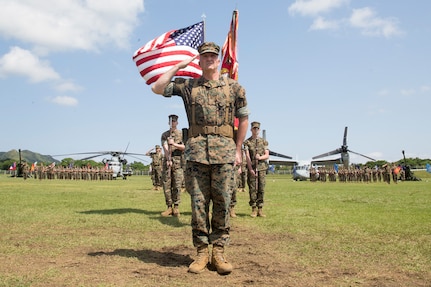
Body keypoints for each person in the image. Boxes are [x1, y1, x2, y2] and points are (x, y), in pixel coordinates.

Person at [151, 42, 249, 275]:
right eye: (204, 56)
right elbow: (157, 88)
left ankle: (219, 251)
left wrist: (237, 150)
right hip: (196, 154)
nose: (209, 59)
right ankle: (202, 252)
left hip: (224, 153)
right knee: (198, 205)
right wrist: (178, 65)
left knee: (223, 202)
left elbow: (243, 118)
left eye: (213, 56)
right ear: (199, 60)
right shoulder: (188, 86)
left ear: (219, 58)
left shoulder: (234, 88)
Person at [160, 114, 185, 217]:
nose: (173, 123)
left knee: (177, 185)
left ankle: (176, 207)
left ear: (177, 122)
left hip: (178, 161)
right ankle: (169, 207)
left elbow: (184, 147)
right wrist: (168, 158)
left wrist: (174, 144)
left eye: (174, 121)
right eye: (171, 121)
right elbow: (165, 146)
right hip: (168, 161)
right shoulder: (165, 134)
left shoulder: (182, 134)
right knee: (167, 185)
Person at [244, 121, 269, 218]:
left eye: (257, 128)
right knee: (252, 188)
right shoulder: (247, 142)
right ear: (251, 129)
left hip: (261, 168)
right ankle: (253, 208)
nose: (256, 130)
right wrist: (250, 169)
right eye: (254, 128)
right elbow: (247, 156)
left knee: (261, 188)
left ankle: (260, 209)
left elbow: (267, 155)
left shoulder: (264, 142)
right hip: (252, 168)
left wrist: (260, 158)